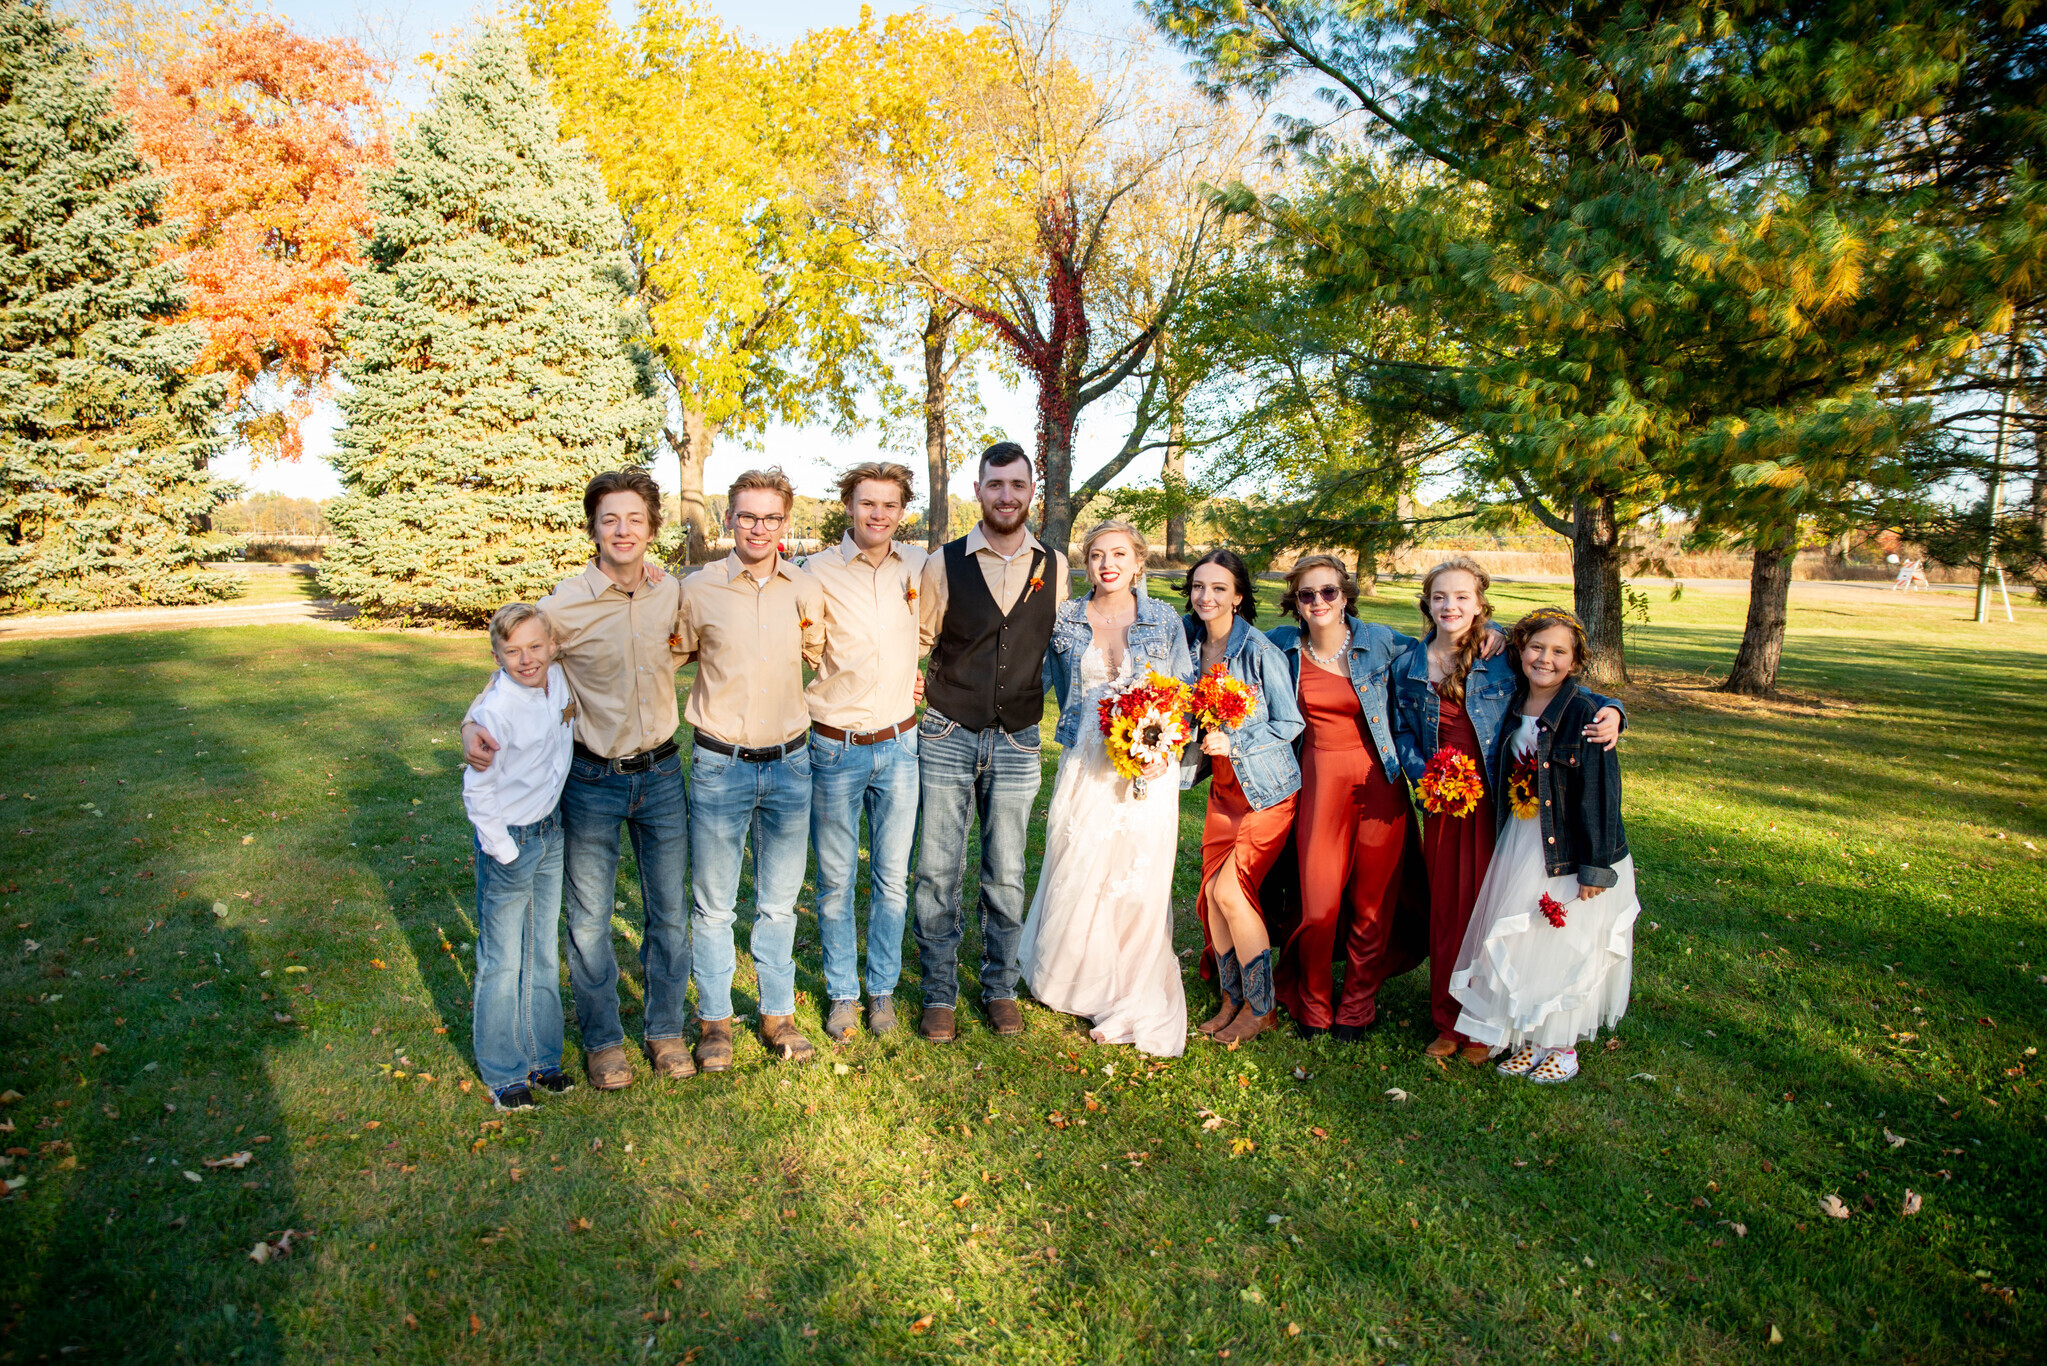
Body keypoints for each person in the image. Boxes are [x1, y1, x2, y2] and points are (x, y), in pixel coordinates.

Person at [461, 469, 691, 1092]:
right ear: (592, 527)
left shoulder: (671, 593)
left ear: (651, 527)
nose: (623, 530)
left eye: (635, 519)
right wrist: (470, 722)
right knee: (588, 921)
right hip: (591, 779)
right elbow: (517, 662)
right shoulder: (562, 606)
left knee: (669, 912)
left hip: (664, 773)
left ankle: (666, 1030)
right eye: (610, 519)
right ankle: (602, 1041)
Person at [1390, 557, 1624, 1063]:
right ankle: (1448, 1021)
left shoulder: (1500, 656)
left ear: (1480, 605)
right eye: (1439, 597)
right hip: (1446, 803)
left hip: (1500, 803)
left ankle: (1485, 1028)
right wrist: (1426, 773)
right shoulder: (1408, 663)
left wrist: (1615, 710)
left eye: (1462, 597)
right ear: (1426, 604)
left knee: (1492, 910)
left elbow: (1564, 687)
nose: (1450, 606)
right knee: (1449, 913)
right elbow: (1401, 730)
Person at [1019, 520, 1194, 1056]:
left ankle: (1128, 984)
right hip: (1087, 758)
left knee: (1136, 875)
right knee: (1079, 862)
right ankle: (1076, 975)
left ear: (1138, 561)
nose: (1107, 563)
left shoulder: (1163, 618)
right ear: (1086, 563)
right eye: (1096, 555)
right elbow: (1039, 678)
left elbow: (1183, 688)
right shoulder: (1067, 617)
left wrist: (1160, 744)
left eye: (1118, 553)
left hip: (1148, 765)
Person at [912, 442, 1067, 1044]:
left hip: (1019, 737)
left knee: (1005, 871)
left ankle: (1000, 987)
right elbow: (917, 643)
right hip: (948, 730)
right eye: (995, 484)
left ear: (1032, 492)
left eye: (1017, 485)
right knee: (937, 871)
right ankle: (938, 993)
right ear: (977, 491)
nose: (1007, 496)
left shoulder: (1054, 566)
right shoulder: (942, 564)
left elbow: (1061, 645)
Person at [1448, 607, 1642, 1083]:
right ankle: (1531, 1039)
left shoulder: (1586, 714)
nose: (1546, 659)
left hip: (1570, 849)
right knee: (1529, 939)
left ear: (1575, 663)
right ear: (1520, 651)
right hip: (1522, 837)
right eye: (1536, 647)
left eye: (1560, 652)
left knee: (1565, 942)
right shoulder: (1513, 700)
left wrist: (1595, 869)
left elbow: (1601, 795)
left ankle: (1562, 1046)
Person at [674, 468, 826, 1069]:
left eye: (770, 517)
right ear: (730, 519)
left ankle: (778, 1015)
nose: (758, 528)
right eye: (747, 516)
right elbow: (667, 654)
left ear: (785, 522)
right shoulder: (700, 588)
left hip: (791, 763)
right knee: (713, 905)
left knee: (779, 903)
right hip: (720, 764)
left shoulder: (803, 589)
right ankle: (714, 1022)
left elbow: (818, 654)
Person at [801, 462, 928, 1040]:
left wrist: (918, 676)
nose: (878, 514)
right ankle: (842, 995)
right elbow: (798, 644)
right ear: (849, 506)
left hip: (900, 747)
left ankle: (881, 991)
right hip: (835, 747)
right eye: (867, 503)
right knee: (833, 881)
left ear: (903, 511)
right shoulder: (816, 571)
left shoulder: (921, 567)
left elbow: (932, 634)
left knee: (892, 879)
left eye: (889, 504)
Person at [1179, 549, 1303, 1045]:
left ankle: (1262, 1007)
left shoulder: (1259, 651)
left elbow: (1290, 723)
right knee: (1211, 894)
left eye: (1218, 588)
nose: (1206, 597)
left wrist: (1236, 741)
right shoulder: (1190, 645)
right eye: (1198, 587)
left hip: (1265, 790)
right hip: (1223, 792)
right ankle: (1233, 998)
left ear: (1238, 596)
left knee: (1230, 891)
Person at [461, 603, 576, 1111]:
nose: (526, 659)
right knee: (502, 959)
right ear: (496, 655)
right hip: (511, 839)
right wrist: (504, 850)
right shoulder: (495, 712)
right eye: (512, 651)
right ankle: (503, 1071)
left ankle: (542, 1056)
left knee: (542, 949)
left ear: (552, 647)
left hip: (551, 831)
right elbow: (477, 793)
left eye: (535, 647)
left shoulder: (558, 680)